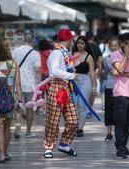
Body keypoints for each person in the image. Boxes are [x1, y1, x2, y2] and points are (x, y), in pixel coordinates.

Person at [44, 29, 78, 158]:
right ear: (68, 40)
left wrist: (71, 72)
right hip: (56, 87)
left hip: (66, 88)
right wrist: (71, 75)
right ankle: (48, 147)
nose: (72, 41)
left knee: (73, 120)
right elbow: (54, 71)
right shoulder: (56, 53)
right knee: (53, 119)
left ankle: (64, 144)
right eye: (72, 39)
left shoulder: (65, 53)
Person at [110, 33, 129, 159]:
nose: (125, 45)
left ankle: (124, 146)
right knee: (120, 122)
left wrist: (123, 73)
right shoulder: (114, 55)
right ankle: (119, 148)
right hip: (120, 93)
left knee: (128, 123)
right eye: (123, 43)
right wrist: (126, 57)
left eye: (128, 43)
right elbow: (119, 69)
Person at [0, 38, 23, 163]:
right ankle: (5, 153)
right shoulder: (14, 64)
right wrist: (20, 100)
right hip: (10, 99)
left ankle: (1, 154)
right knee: (7, 125)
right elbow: (18, 84)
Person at [12, 35, 41, 138]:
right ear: (32, 42)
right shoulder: (35, 54)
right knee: (30, 108)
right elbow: (37, 70)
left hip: (17, 83)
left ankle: (18, 125)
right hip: (31, 84)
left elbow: (11, 65)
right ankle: (28, 132)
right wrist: (40, 83)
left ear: (24, 41)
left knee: (19, 106)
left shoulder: (15, 51)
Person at [73, 36, 97, 137]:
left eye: (82, 43)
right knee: (74, 105)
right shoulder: (72, 55)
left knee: (82, 105)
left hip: (85, 81)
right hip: (73, 82)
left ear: (86, 45)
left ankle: (80, 128)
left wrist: (94, 87)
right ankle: (74, 125)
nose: (80, 45)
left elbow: (92, 72)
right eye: (78, 43)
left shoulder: (89, 57)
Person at [103, 38, 120, 141]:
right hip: (109, 85)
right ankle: (109, 132)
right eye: (112, 45)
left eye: (116, 45)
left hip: (121, 87)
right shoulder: (106, 58)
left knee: (119, 109)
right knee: (109, 109)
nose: (114, 47)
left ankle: (119, 130)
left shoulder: (123, 58)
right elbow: (105, 72)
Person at [85, 31, 102, 118]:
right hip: (93, 72)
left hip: (83, 72)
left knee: (84, 91)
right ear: (92, 38)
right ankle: (89, 109)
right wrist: (99, 69)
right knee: (93, 91)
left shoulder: (83, 47)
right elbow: (99, 60)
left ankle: (83, 109)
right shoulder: (96, 47)